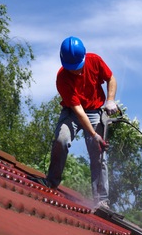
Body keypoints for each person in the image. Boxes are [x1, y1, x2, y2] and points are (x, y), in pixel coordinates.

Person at [40, 36, 118, 210]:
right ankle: (51, 182)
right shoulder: (62, 78)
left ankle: (101, 200)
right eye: (71, 68)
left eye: (78, 67)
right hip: (74, 112)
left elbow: (111, 78)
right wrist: (93, 134)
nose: (76, 71)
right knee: (61, 139)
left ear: (83, 58)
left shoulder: (95, 60)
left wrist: (110, 100)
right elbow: (78, 110)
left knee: (98, 153)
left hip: (95, 110)